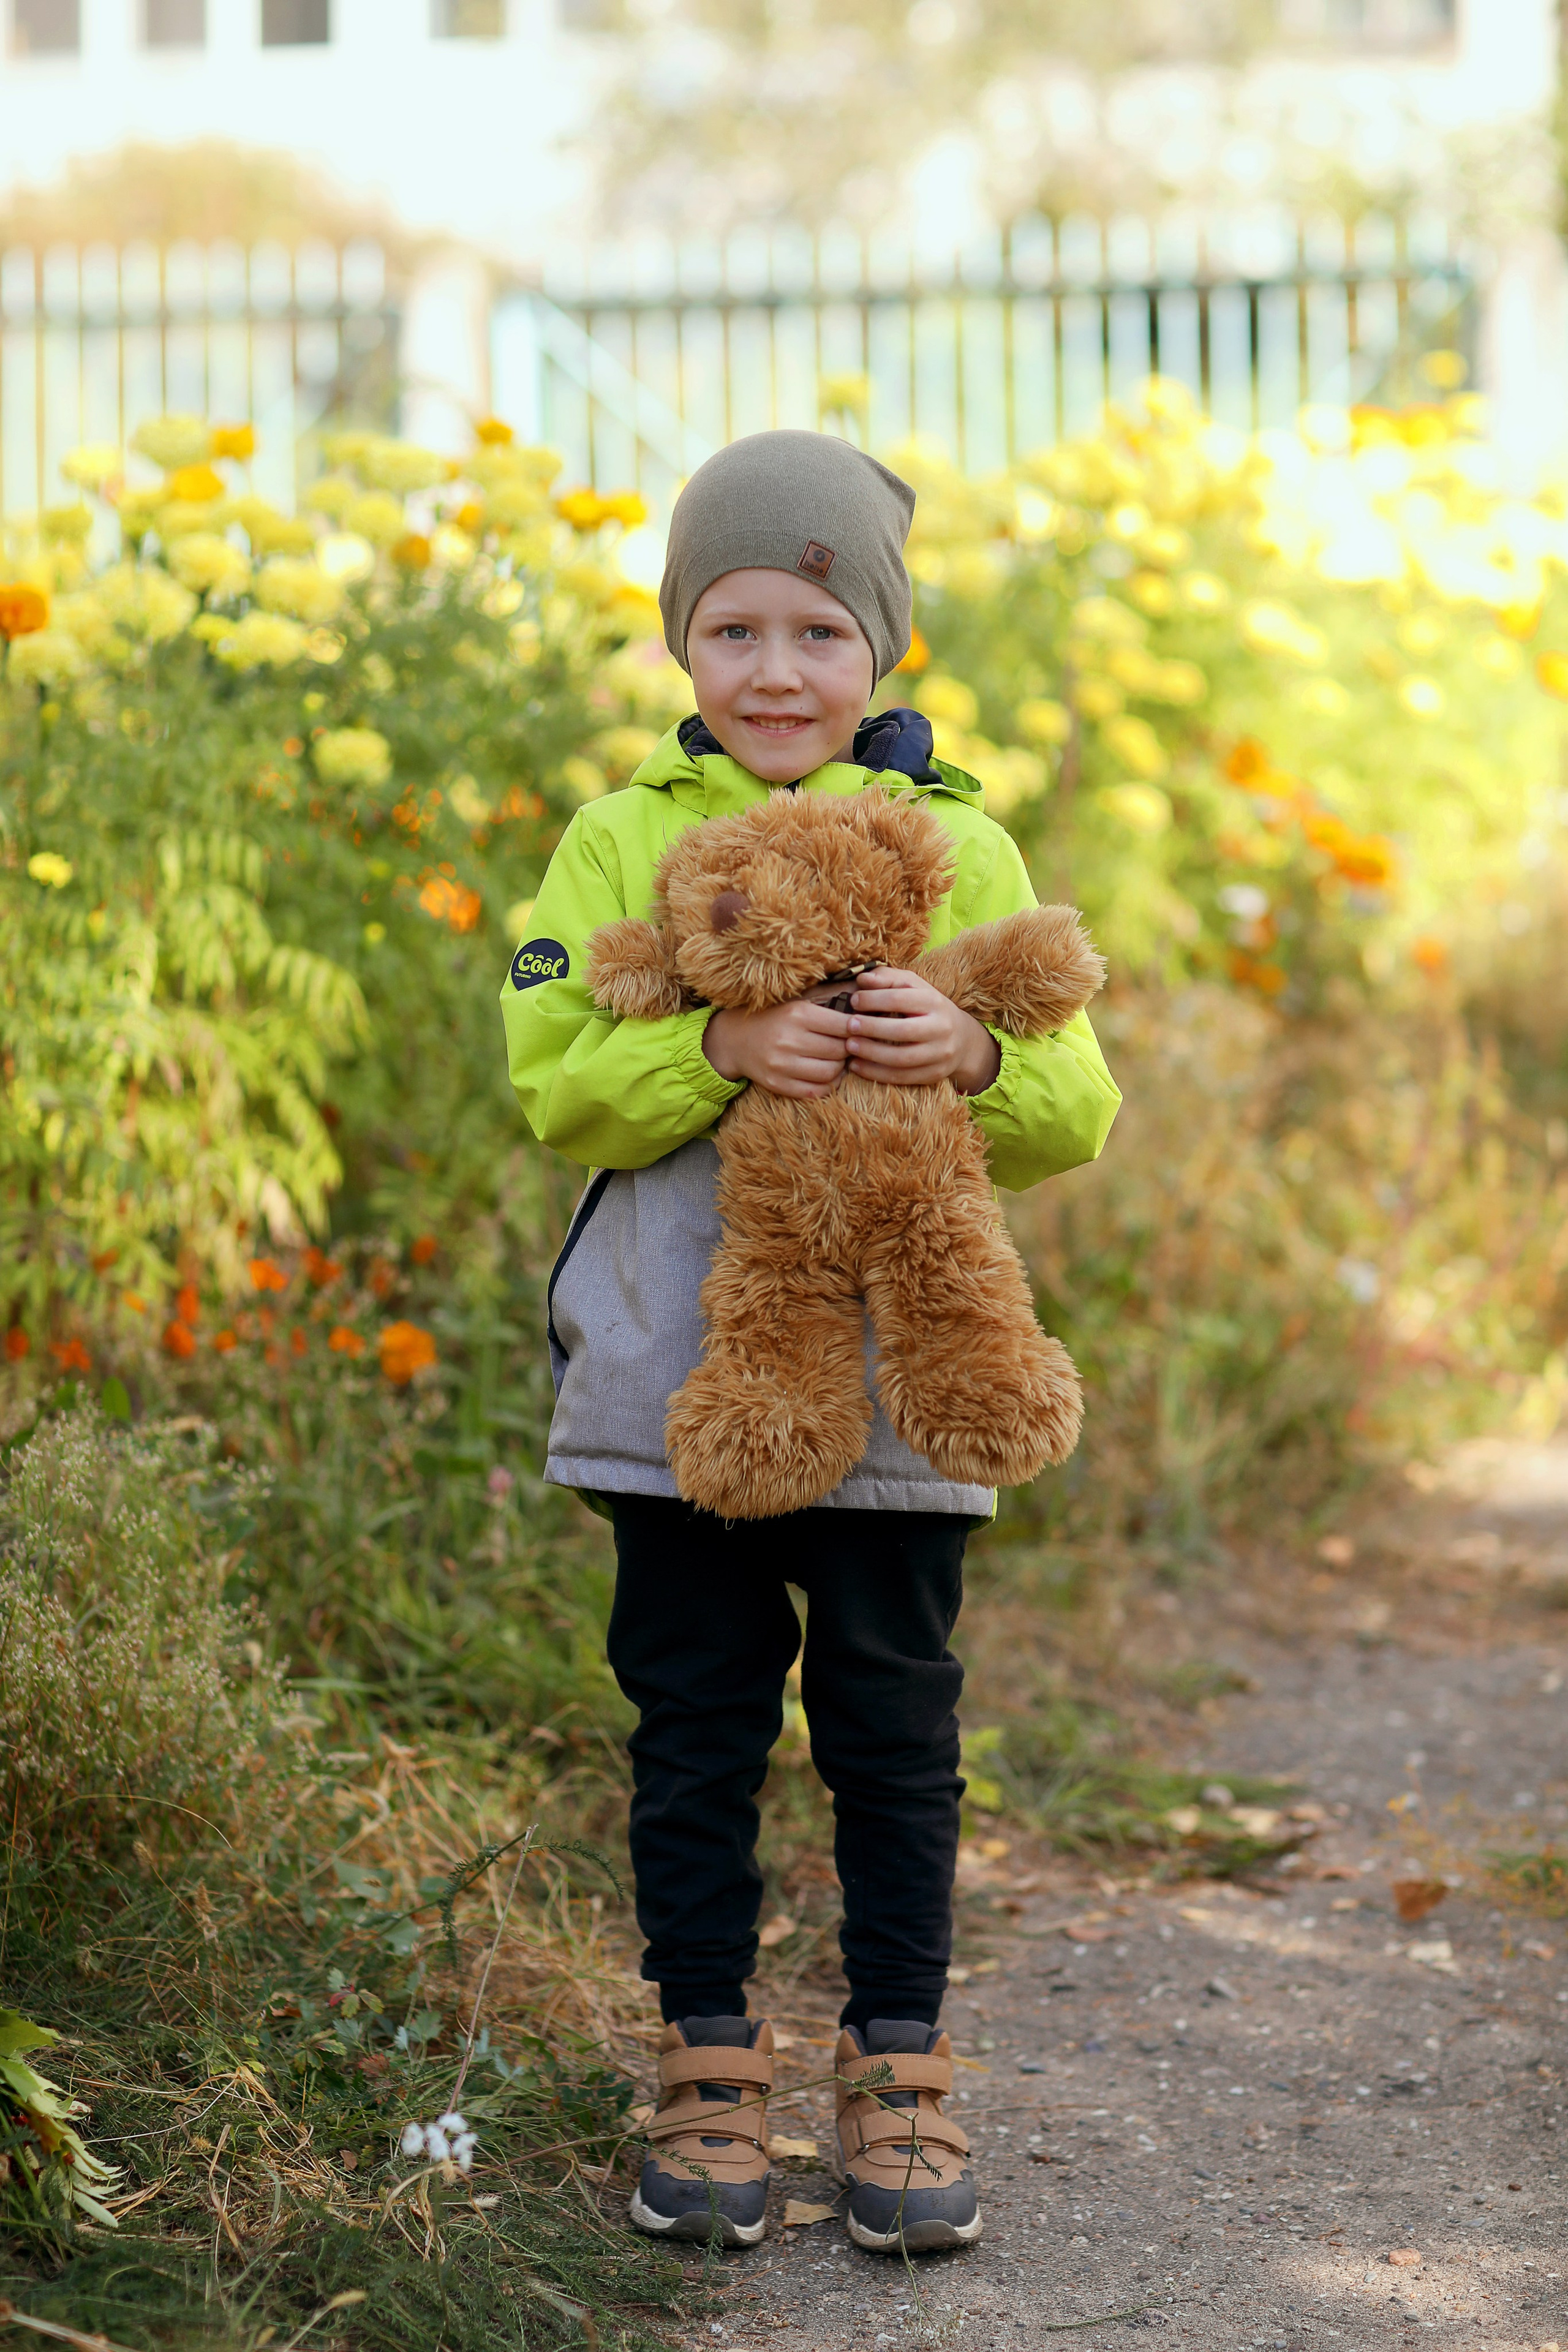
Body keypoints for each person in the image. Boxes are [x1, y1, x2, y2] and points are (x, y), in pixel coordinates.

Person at [502, 429, 1119, 2253]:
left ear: (884, 648)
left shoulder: (962, 842)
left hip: (894, 1381)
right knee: (694, 1723)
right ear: (680, 642)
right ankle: (705, 2061)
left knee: (893, 1726)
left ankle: (899, 2064)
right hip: (676, 1379)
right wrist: (715, 1050)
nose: (777, 673)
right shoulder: (620, 837)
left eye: (820, 633)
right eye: (735, 629)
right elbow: (555, 1078)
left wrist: (974, 1052)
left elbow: (1076, 1097)